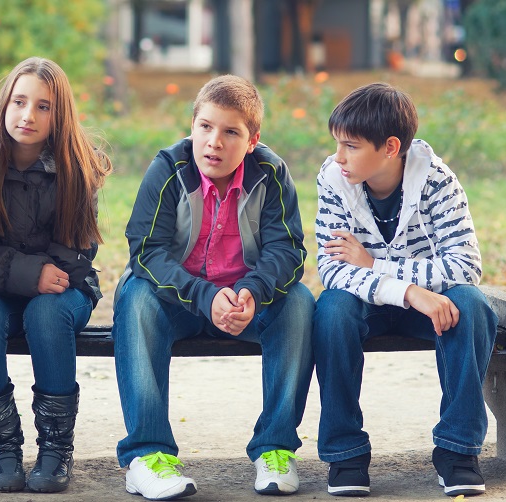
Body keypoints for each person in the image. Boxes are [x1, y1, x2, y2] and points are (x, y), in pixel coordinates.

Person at [112, 74, 315, 500]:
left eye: (230, 132)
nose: (214, 142)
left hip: (245, 302)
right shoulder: (168, 168)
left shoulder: (271, 173)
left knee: (298, 302)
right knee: (134, 296)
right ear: (192, 128)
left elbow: (289, 250)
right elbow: (147, 251)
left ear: (252, 140)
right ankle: (148, 455)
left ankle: (275, 447)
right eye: (205, 127)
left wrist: (252, 291)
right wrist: (205, 297)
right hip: (180, 302)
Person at [312, 82, 498, 497]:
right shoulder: (334, 180)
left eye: (351, 146)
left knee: (471, 304)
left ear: (390, 147)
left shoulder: (437, 182)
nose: (338, 156)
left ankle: (457, 450)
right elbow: (332, 269)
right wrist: (410, 291)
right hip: (371, 301)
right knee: (332, 309)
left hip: (429, 307)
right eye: (337, 144)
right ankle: (345, 455)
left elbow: (466, 265)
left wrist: (376, 263)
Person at [0, 57, 112, 493]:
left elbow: (80, 247)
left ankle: (56, 450)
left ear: (60, 115)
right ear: (4, 104)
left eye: (44, 106)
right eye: (20, 101)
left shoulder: (79, 165)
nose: (28, 115)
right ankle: (3, 449)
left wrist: (45, 275)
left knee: (46, 315)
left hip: (64, 286)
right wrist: (27, 273)